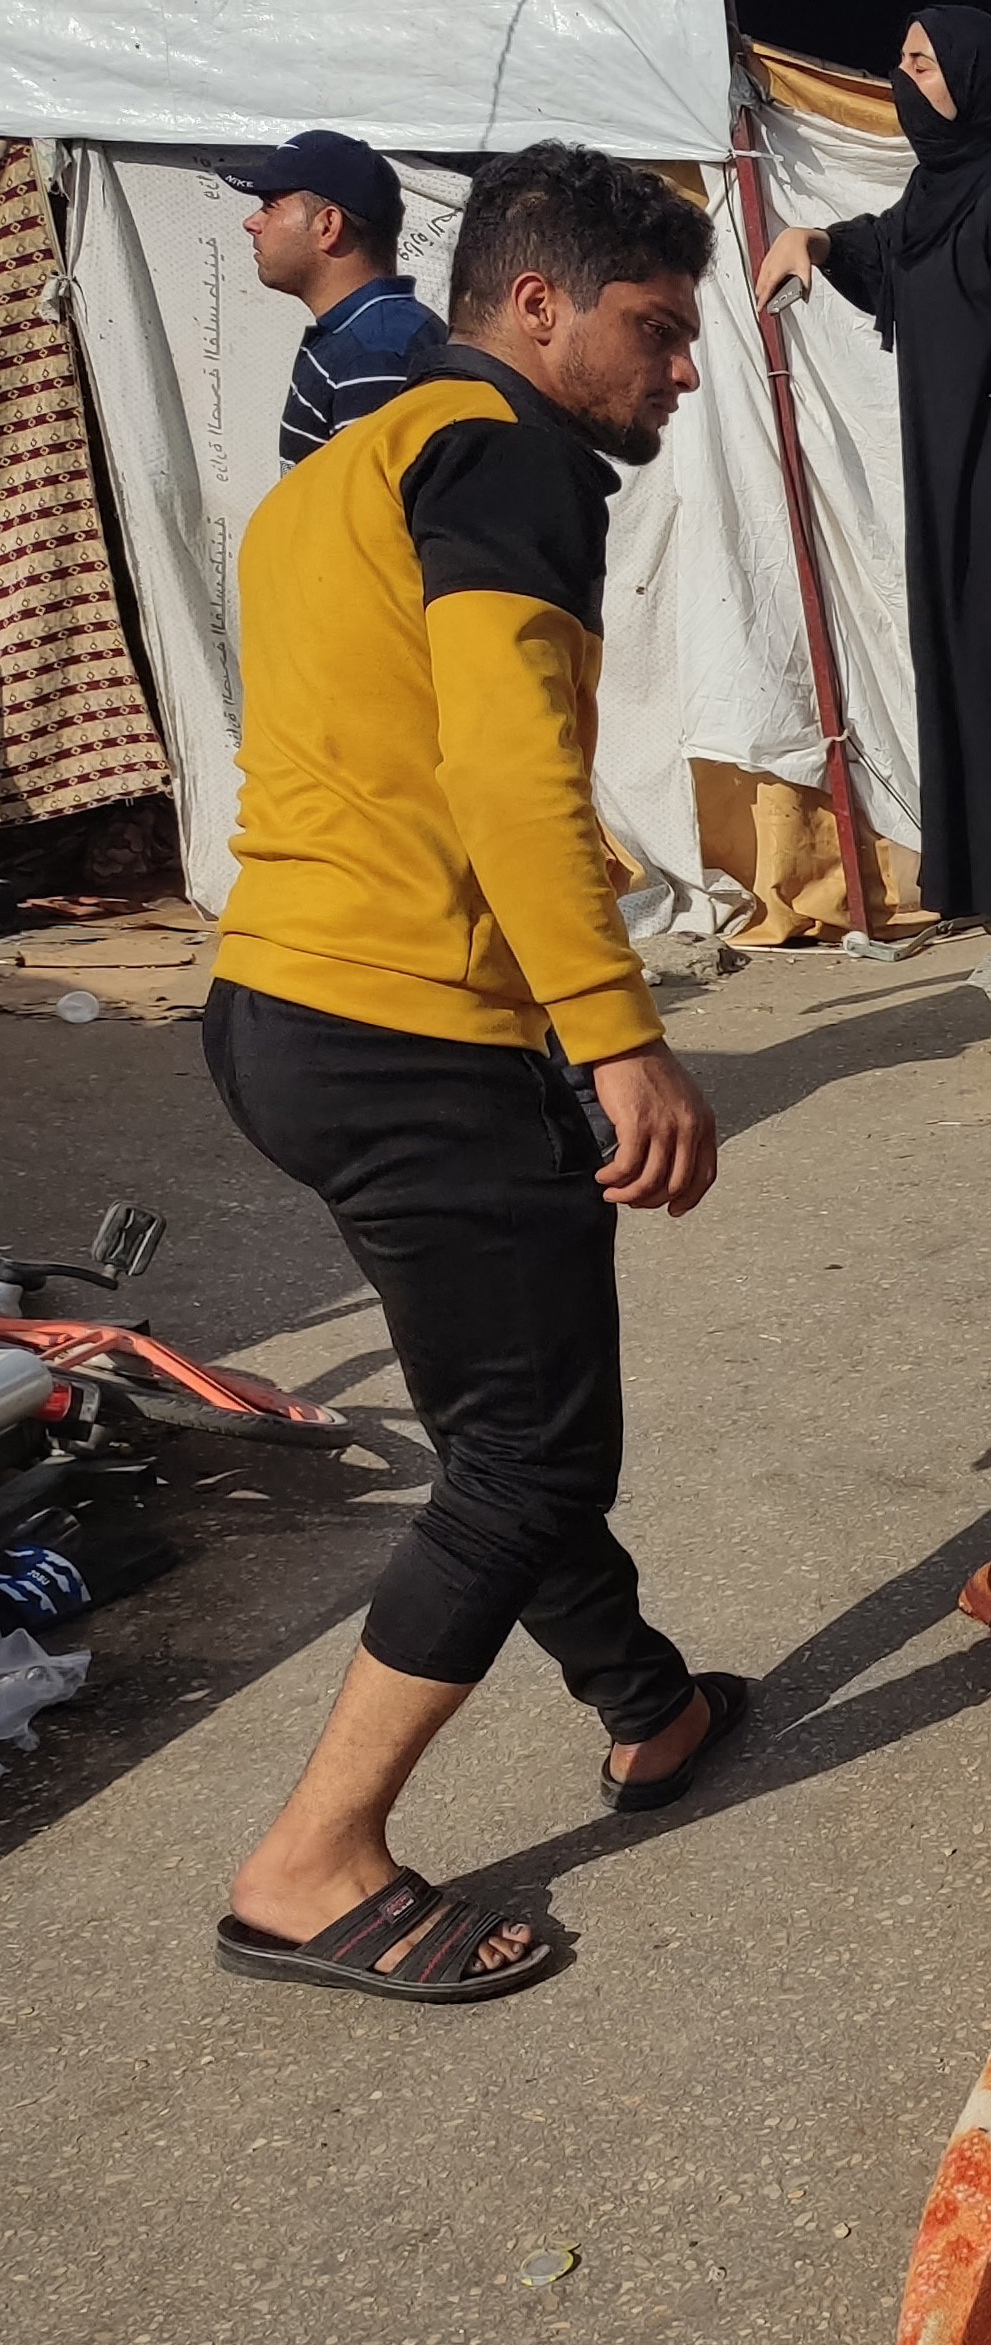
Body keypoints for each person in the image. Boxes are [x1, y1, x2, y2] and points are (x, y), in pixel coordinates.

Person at [204, 143, 739, 2005]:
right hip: (405, 1021)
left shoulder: (326, 476)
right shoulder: (505, 450)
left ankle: (648, 1704)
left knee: (507, 1411)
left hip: (279, 1004)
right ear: (535, 306)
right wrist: (617, 1032)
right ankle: (310, 1861)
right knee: (527, 1451)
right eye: (657, 333)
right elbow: (513, 775)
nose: (680, 373)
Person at [753, 10, 991, 942]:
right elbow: (888, 255)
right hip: (952, 487)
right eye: (902, 64)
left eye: (921, 66)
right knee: (972, 676)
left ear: (973, 79)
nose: (902, 82)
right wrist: (812, 240)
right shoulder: (934, 199)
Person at [226, 129, 447, 467]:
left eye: (270, 206)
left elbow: (373, 512)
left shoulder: (377, 355)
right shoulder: (364, 336)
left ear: (328, 226)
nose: (250, 222)